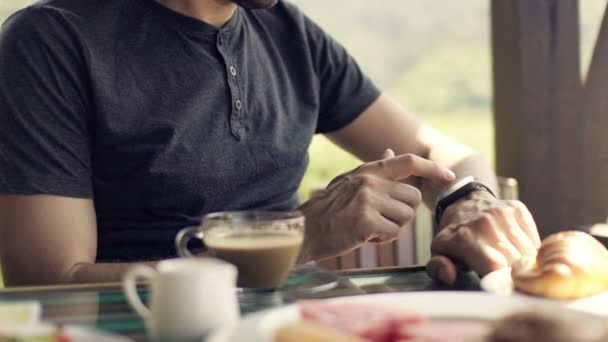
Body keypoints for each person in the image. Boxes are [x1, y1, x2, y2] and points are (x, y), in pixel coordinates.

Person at [0, 0, 540, 286]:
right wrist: (299, 236)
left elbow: (449, 158)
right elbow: (50, 278)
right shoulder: (52, 41)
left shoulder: (289, 34)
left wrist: (469, 203)